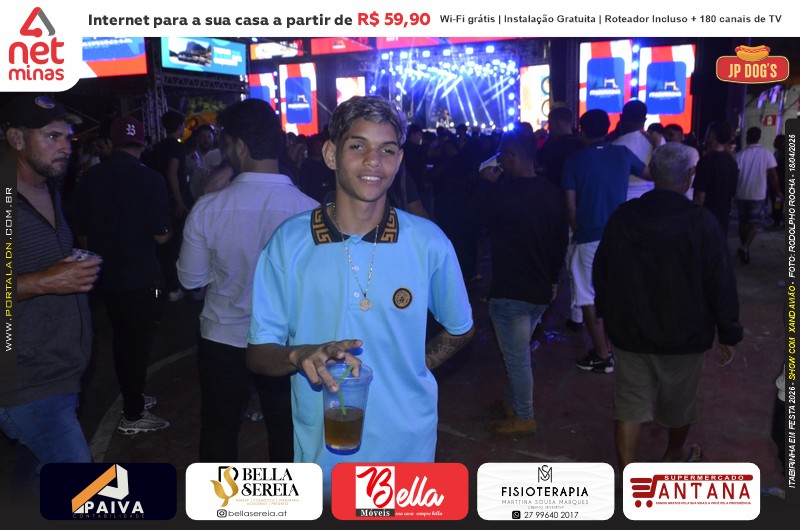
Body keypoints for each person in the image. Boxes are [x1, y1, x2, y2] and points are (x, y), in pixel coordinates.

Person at [246, 96, 475, 497]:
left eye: (387, 150)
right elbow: (258, 353)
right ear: (331, 154)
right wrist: (298, 355)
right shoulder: (289, 242)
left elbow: (461, 327)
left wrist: (412, 366)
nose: (374, 161)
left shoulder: (428, 241)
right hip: (322, 454)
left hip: (408, 450)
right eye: (358, 145)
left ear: (399, 160)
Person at [177, 98, 318, 463]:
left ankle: (218, 496)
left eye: (226, 145)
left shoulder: (209, 207)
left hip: (223, 337)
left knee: (219, 427)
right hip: (285, 342)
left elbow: (191, 280)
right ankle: (287, 497)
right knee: (286, 428)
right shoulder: (311, 211)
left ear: (239, 146)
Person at [593, 141, 743, 472]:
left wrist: (605, 312)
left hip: (630, 330)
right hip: (684, 335)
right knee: (679, 403)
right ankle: (674, 454)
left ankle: (628, 475)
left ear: (654, 173)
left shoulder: (624, 216)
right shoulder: (701, 222)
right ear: (689, 175)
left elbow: (602, 270)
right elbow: (720, 282)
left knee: (629, 406)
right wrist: (728, 332)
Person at [0, 94, 102, 503]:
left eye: (68, 138)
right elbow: (40, 279)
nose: (66, 147)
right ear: (16, 139)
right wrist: (44, 281)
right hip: (25, 382)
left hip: (60, 373)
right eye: (52, 136)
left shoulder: (49, 191)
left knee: (32, 480)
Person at [75, 115, 172, 435]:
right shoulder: (151, 179)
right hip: (141, 274)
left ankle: (134, 395)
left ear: (111, 143)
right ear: (142, 144)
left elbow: (83, 235)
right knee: (138, 342)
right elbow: (162, 236)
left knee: (122, 339)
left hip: (106, 273)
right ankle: (132, 413)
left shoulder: (91, 177)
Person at [479, 129, 568, 435]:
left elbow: (477, 222)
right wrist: (554, 279)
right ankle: (512, 401)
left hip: (511, 291)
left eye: (502, 155)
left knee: (517, 359)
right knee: (518, 352)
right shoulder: (552, 192)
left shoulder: (501, 194)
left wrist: (487, 184)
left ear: (513, 156)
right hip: (540, 289)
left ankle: (524, 416)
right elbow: (560, 242)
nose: (500, 161)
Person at [562, 109, 647, 374]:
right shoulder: (622, 154)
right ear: (608, 128)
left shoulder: (574, 161)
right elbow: (652, 174)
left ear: (582, 131)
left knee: (587, 296)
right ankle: (614, 347)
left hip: (589, 237)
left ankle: (602, 354)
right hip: (618, 236)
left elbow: (570, 207)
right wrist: (657, 143)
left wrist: (580, 231)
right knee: (612, 292)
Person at [535, 105, 584, 331]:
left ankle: (542, 309)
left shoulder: (552, 147)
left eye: (551, 123)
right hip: (579, 208)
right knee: (576, 265)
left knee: (551, 260)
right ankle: (578, 314)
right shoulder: (582, 145)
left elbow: (539, 165)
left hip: (555, 208)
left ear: (557, 123)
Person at [153, 110, 191, 301]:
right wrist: (180, 201)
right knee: (176, 245)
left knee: (164, 247)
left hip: (160, 199)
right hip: (174, 201)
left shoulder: (158, 147)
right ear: (180, 126)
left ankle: (166, 285)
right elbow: (172, 173)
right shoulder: (176, 147)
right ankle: (175, 287)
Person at [734, 126, 780, 264]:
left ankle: (744, 248)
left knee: (743, 223)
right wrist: (778, 191)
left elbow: (735, 175)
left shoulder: (740, 155)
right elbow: (773, 176)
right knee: (754, 223)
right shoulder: (766, 154)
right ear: (759, 137)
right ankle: (745, 247)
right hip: (758, 194)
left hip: (741, 192)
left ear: (747, 137)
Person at [692, 120, 739, 240]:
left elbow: (700, 197)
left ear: (712, 135)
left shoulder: (706, 161)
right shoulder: (732, 161)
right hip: (723, 216)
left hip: (706, 217)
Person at [611, 99, 653, 201]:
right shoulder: (657, 141)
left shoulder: (613, 146)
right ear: (645, 120)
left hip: (622, 201)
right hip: (651, 200)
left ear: (621, 117)